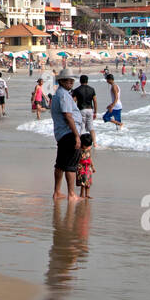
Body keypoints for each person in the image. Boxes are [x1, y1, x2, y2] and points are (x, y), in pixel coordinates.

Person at [50, 68, 83, 203]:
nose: (71, 82)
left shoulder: (60, 93)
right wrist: (76, 135)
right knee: (70, 165)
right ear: (61, 81)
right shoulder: (63, 95)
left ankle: (57, 192)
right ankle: (71, 194)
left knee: (60, 164)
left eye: (72, 80)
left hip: (62, 133)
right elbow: (68, 116)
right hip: (68, 133)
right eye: (68, 80)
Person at [77, 133, 94, 200]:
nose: (87, 147)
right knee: (83, 181)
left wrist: (92, 167)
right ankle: (81, 194)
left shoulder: (89, 150)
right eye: (85, 146)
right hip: (81, 167)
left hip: (88, 167)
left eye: (89, 145)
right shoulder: (79, 150)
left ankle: (87, 194)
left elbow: (90, 158)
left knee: (88, 182)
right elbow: (77, 159)